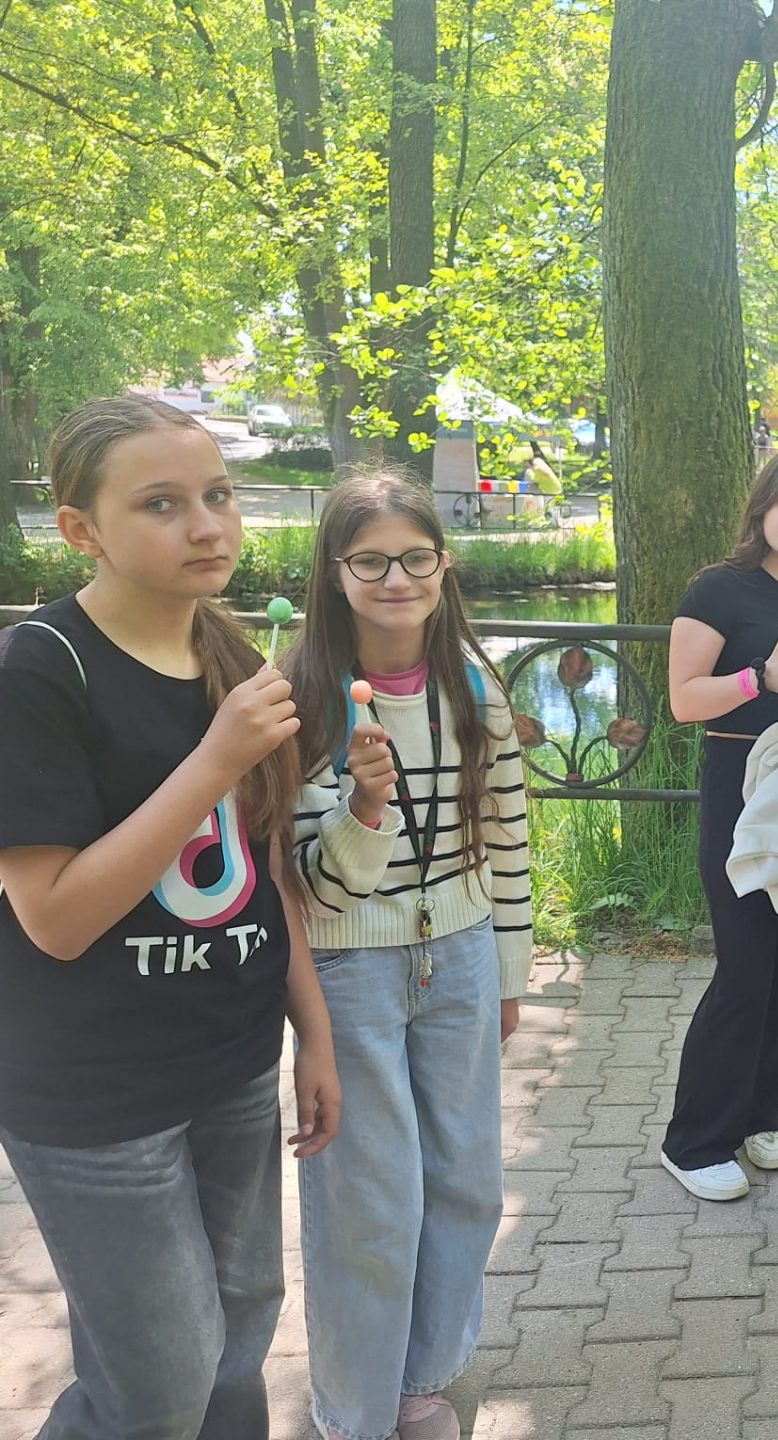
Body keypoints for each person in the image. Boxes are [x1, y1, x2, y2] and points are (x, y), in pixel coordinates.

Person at [0, 396, 337, 1439]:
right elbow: (55, 919)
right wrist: (215, 759)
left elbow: (264, 867)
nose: (206, 526)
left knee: (240, 1336)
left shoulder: (230, 658)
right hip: (96, 1091)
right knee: (157, 1387)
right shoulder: (39, 669)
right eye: (160, 504)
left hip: (232, 1062)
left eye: (218, 496)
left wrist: (314, 1036)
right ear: (81, 529)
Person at [285, 473, 533, 1440]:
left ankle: (421, 1377)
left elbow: (505, 838)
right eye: (372, 561)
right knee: (370, 1201)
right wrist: (365, 807)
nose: (398, 579)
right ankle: (356, 1409)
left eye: (416, 557)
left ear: (444, 564)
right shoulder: (304, 699)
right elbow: (314, 892)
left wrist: (509, 973)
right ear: (335, 571)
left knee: (467, 1179)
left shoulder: (475, 687)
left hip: (461, 957)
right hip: (351, 970)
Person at [661, 449, 778, 1201]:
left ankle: (758, 1113)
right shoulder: (719, 588)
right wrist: (758, 679)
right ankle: (693, 1140)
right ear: (762, 507)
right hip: (740, 793)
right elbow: (684, 699)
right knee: (745, 966)